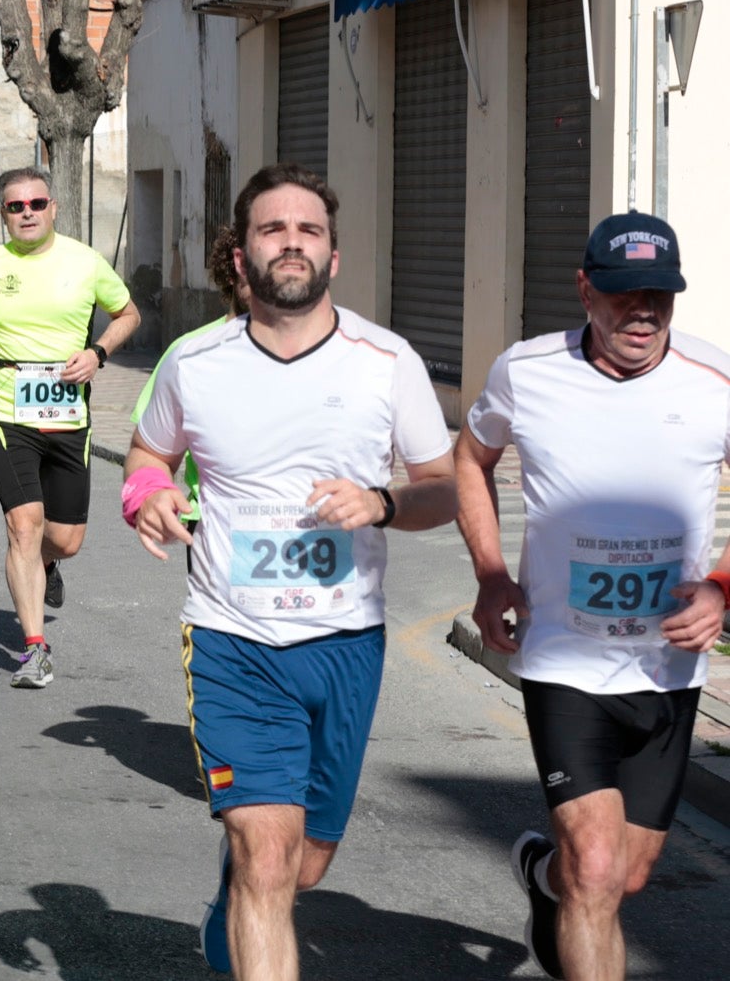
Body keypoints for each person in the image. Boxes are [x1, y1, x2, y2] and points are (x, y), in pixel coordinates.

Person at [123, 164, 457, 979]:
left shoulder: (388, 361)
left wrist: (382, 502)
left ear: (334, 256)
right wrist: (149, 499)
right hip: (234, 637)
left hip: (345, 642)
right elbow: (146, 456)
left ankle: (237, 893)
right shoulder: (193, 361)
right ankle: (249, 875)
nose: (292, 244)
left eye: (309, 230)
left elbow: (444, 489)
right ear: (241, 256)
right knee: (267, 856)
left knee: (303, 860)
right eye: (273, 230)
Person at [454, 211, 730, 981]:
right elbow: (470, 460)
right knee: (600, 866)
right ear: (584, 288)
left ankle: (544, 876)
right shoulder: (527, 371)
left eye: (659, 295)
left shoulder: (715, 382)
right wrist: (489, 572)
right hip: (564, 663)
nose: (641, 310)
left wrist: (721, 587)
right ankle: (571, 876)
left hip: (669, 673)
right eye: (622, 293)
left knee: (621, 875)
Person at [0, 166, 141, 688]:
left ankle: (48, 566)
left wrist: (98, 353)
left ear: (53, 207)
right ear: (4, 214)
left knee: (66, 538)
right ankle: (35, 649)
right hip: (8, 411)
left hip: (70, 415)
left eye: (36, 203)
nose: (27, 212)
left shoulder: (86, 261)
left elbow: (128, 314)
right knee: (24, 526)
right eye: (16, 206)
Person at [129, 225, 249, 534]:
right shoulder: (189, 355)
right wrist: (150, 494)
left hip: (318, 544)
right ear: (233, 268)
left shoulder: (342, 356)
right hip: (215, 530)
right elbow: (149, 452)